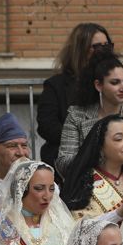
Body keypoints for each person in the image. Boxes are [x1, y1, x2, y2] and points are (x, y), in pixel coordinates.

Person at [37, 23, 113, 168]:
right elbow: (47, 126)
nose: (104, 51)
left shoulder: (118, 83)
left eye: (107, 46)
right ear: (80, 50)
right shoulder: (56, 85)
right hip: (70, 159)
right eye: (97, 46)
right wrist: (82, 140)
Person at [55, 52, 123, 179]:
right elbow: (63, 163)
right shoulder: (77, 115)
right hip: (87, 188)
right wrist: (99, 157)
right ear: (98, 85)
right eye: (115, 82)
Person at [60, 114, 123, 220]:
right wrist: (118, 214)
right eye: (119, 138)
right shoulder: (84, 183)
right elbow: (79, 227)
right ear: (100, 146)